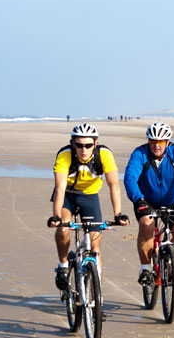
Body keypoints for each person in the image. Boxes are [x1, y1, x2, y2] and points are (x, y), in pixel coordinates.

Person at [48, 123, 129, 290]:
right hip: (68, 195)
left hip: (90, 197)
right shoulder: (65, 156)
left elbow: (114, 185)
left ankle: (96, 294)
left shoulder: (104, 155)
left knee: (95, 244)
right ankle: (63, 265)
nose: (83, 150)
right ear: (72, 144)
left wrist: (118, 214)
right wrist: (56, 216)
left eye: (88, 145)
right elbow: (59, 189)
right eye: (79, 145)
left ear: (95, 144)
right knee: (64, 228)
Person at [123, 122, 174, 286]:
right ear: (149, 141)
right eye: (153, 141)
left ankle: (169, 261)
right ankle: (145, 268)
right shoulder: (140, 153)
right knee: (146, 224)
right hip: (145, 201)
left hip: (171, 201)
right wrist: (138, 200)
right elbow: (130, 179)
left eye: (160, 141)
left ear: (167, 141)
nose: (156, 145)